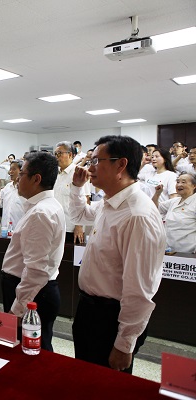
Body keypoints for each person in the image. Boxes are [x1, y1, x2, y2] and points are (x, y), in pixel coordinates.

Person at [69, 135, 165, 374]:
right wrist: (77, 188)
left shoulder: (137, 215)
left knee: (107, 385)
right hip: (90, 309)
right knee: (85, 379)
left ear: (121, 164)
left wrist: (125, 343)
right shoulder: (110, 202)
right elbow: (79, 215)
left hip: (111, 317)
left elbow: (140, 289)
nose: (90, 167)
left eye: (96, 161)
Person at [1, 152, 65, 351]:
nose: (17, 180)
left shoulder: (40, 213)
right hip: (32, 290)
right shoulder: (42, 207)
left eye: (21, 174)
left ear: (36, 179)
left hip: (33, 294)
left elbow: (36, 270)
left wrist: (18, 309)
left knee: (33, 350)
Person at [53, 141, 89, 243]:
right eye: (55, 154)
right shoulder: (55, 174)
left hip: (71, 228)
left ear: (70, 155)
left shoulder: (79, 173)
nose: (56, 157)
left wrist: (79, 226)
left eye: (59, 154)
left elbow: (86, 201)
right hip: (55, 225)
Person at [153, 172, 196, 253]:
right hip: (168, 250)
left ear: (194, 186)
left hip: (188, 253)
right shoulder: (174, 201)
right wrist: (157, 194)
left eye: (183, 182)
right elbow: (155, 208)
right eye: (178, 181)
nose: (179, 184)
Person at [0, 159, 25, 231]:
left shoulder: (26, 189)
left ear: (21, 171)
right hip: (5, 228)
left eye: (14, 169)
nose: (10, 172)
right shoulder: (7, 187)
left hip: (19, 229)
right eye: (10, 169)